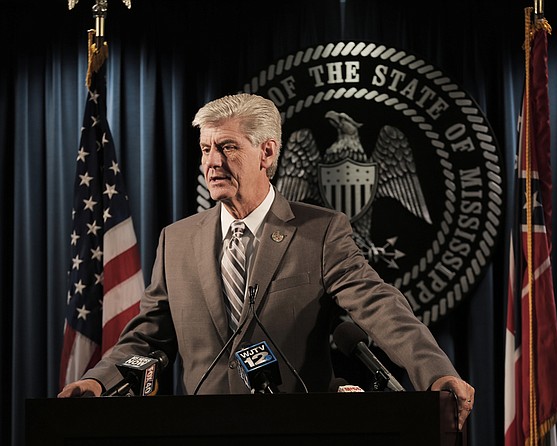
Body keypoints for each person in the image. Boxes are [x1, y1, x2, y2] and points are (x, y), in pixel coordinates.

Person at [58, 93, 475, 430]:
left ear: (267, 152)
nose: (212, 162)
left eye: (227, 147)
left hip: (296, 431)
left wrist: (434, 371)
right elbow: (147, 338)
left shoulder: (321, 232)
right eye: (205, 149)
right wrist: (98, 380)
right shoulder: (177, 241)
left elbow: (380, 307)